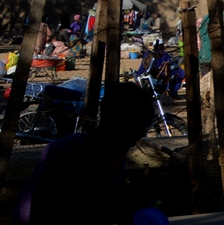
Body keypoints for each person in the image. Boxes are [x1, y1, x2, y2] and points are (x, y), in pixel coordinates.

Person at [14, 83, 156, 224]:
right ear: (112, 122)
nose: (134, 141)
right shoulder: (66, 153)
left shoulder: (116, 158)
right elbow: (38, 212)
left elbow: (102, 205)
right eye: (132, 131)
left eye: (141, 132)